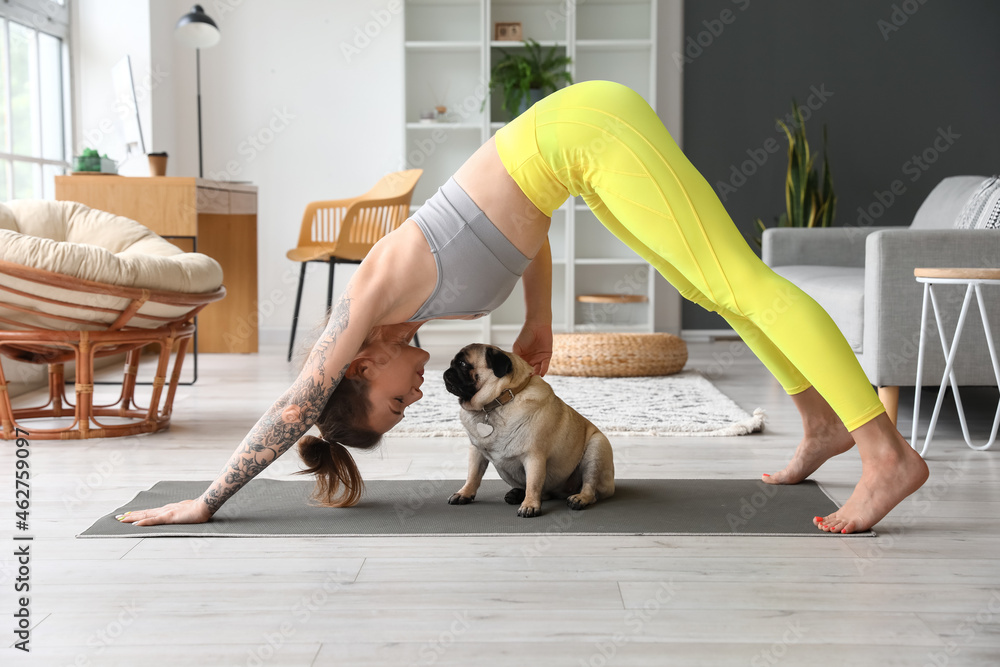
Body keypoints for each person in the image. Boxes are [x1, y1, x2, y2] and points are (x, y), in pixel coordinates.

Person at [118, 80, 928, 534]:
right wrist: (539, 314)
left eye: (396, 397)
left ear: (359, 365)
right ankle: (822, 423)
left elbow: (295, 406)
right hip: (573, 161)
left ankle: (883, 452)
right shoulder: (407, 315)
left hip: (587, 132)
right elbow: (517, 224)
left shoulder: (365, 300)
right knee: (712, 286)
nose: (418, 388)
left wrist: (209, 498)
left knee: (743, 281)